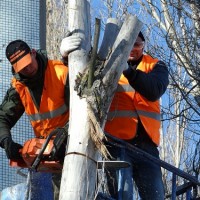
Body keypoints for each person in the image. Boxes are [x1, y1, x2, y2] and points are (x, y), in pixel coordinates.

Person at [0, 36, 81, 200]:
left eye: (28, 62)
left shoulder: (61, 73)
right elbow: (2, 119)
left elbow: (82, 110)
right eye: (22, 67)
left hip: (73, 145)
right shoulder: (19, 87)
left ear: (34, 53)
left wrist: (64, 135)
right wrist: (6, 142)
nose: (27, 68)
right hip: (43, 153)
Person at [104, 30, 169, 200]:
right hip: (116, 144)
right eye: (128, 45)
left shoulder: (156, 66)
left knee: (155, 196)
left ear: (143, 46)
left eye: (138, 45)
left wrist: (129, 72)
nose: (133, 49)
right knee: (122, 195)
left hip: (147, 146)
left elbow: (153, 90)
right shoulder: (107, 67)